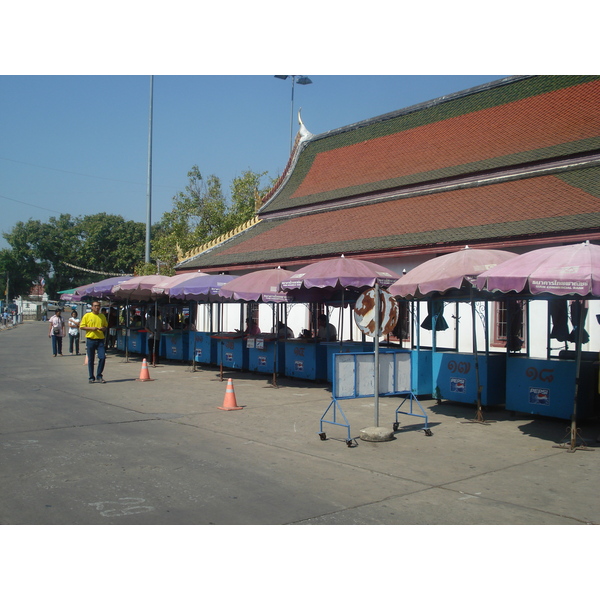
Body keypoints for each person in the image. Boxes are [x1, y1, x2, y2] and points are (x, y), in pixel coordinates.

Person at [80, 301, 108, 383]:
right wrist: (91, 328)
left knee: (102, 357)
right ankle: (91, 377)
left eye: (98, 306)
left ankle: (99, 375)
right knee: (91, 359)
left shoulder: (102, 316)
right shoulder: (87, 316)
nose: (97, 307)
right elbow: (82, 326)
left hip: (100, 340)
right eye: (95, 306)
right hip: (90, 339)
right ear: (92, 307)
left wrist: (103, 328)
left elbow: (105, 326)